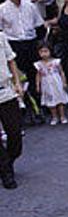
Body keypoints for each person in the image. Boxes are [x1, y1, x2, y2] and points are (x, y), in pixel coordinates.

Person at [0, 0, 43, 103]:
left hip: (31, 42)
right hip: (14, 43)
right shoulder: (2, 9)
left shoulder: (30, 6)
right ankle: (26, 102)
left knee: (35, 72)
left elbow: (38, 24)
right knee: (20, 74)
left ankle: (39, 100)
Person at [0, 30, 22, 189]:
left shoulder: (1, 37)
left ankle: (8, 159)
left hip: (5, 90)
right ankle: (6, 171)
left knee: (14, 132)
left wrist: (17, 82)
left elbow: (11, 60)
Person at [33, 41, 68, 125]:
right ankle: (54, 117)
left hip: (56, 82)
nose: (44, 54)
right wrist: (37, 85)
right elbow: (38, 75)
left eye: (46, 51)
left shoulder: (56, 62)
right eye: (41, 52)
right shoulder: (39, 64)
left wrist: (64, 82)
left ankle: (62, 116)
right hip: (46, 84)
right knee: (50, 102)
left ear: (50, 51)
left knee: (60, 100)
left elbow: (61, 72)